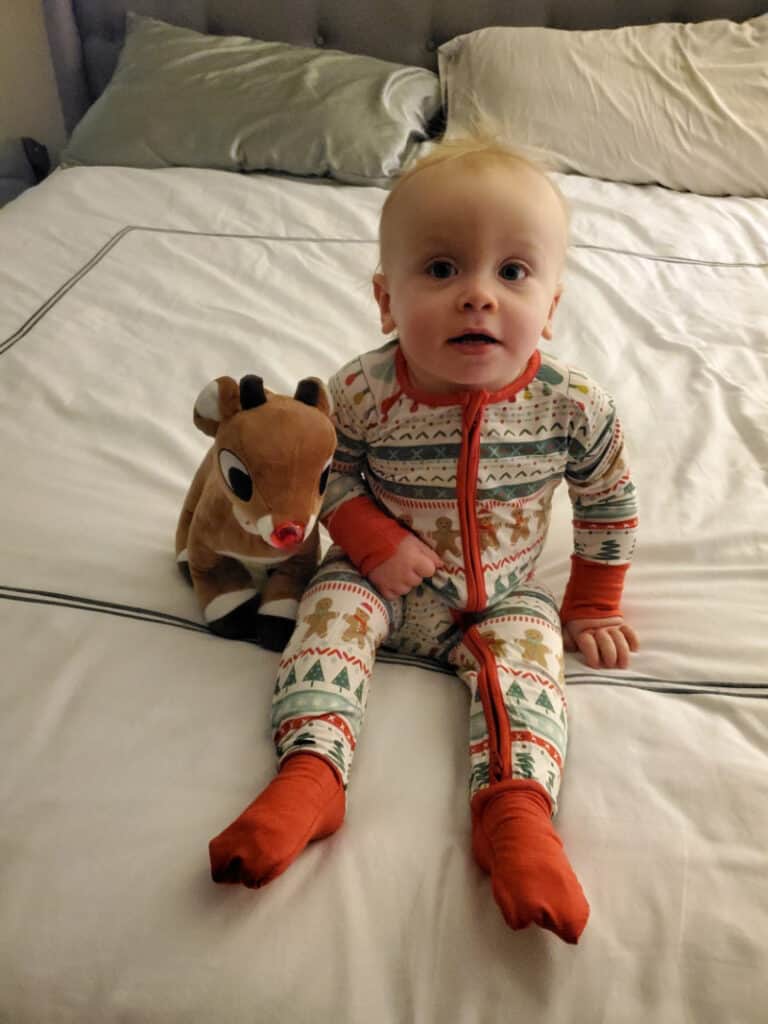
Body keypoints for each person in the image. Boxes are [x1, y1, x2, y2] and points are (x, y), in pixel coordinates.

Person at [208, 136, 639, 944]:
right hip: (379, 579)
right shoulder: (361, 392)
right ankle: (310, 774)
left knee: (529, 669)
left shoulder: (572, 406)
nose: (478, 295)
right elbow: (325, 479)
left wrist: (592, 601)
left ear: (550, 305)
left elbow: (608, 500)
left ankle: (515, 814)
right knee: (327, 611)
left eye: (512, 272)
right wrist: (370, 540)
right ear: (385, 299)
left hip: (504, 594)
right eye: (441, 269)